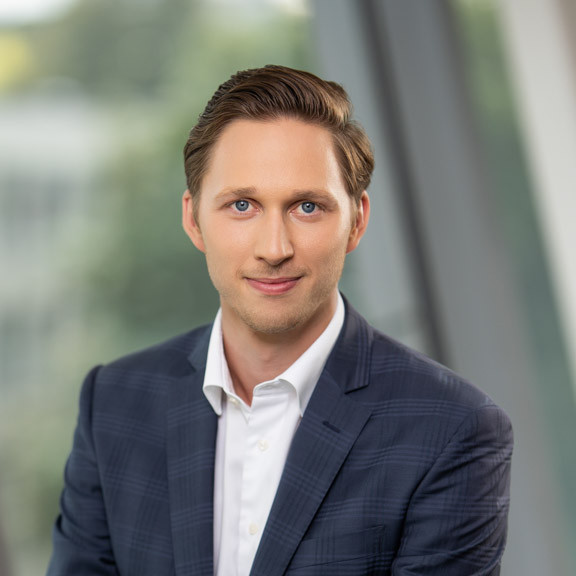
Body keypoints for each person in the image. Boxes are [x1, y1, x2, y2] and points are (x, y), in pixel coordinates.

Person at [47, 65, 513, 576]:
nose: (274, 249)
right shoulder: (113, 404)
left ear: (357, 221)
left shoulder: (451, 430)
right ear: (193, 219)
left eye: (307, 207)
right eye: (242, 205)